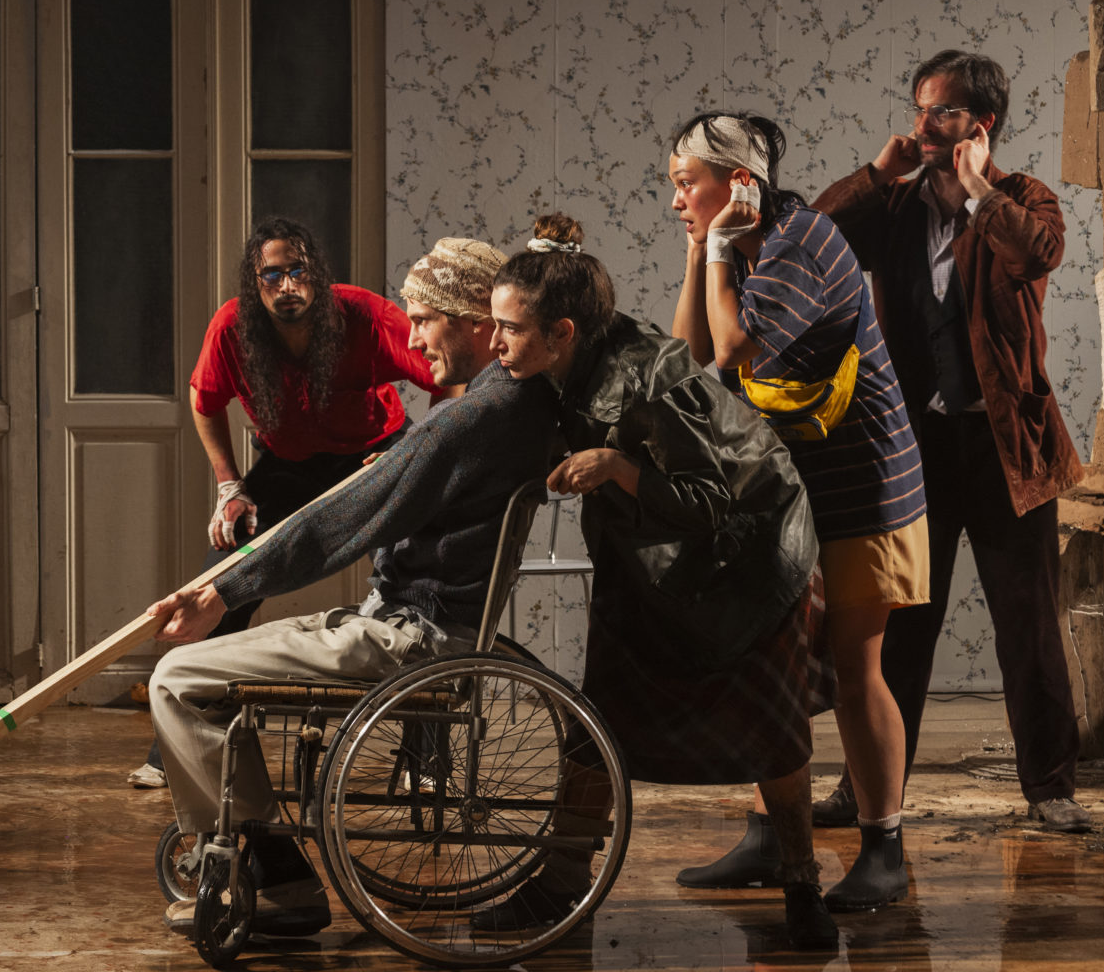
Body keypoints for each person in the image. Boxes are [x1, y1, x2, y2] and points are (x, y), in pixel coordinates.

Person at [146, 237, 560, 937]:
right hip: (409, 623)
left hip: (409, 639)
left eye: (426, 318)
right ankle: (266, 861)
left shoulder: (471, 417)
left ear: (477, 324)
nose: (414, 335)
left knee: (176, 678)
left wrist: (223, 592)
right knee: (194, 670)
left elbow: (344, 522)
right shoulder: (509, 401)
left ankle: (275, 878)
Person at [472, 214, 837, 950]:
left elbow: (713, 501)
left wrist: (616, 469)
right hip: (650, 565)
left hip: (747, 564)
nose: (495, 343)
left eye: (508, 329)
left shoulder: (647, 384)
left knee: (773, 733)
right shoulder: (562, 364)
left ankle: (802, 887)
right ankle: (560, 882)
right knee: (594, 726)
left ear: (563, 330)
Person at [812, 51, 1089, 833]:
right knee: (897, 626)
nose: (922, 125)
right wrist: (877, 171)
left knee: (1027, 625)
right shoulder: (894, 209)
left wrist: (975, 190)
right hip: (915, 447)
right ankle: (870, 788)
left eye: (940, 112)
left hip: (1007, 450)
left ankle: (1050, 788)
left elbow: (1036, 253)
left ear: (981, 123)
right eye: (918, 108)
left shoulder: (1021, 199)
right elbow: (818, 241)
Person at [667, 113, 930, 912]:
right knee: (772, 662)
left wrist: (714, 254)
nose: (676, 198)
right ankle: (769, 833)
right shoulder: (745, 245)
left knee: (855, 668)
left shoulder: (798, 245)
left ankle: (884, 847)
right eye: (672, 184)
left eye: (688, 184)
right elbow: (687, 361)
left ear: (739, 184)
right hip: (801, 491)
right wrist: (699, 250)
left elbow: (730, 355)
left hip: (865, 490)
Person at [126, 216, 440, 788]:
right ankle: (174, 752)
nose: (287, 285)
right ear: (255, 283)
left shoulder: (364, 315)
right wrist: (230, 485)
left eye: (298, 271)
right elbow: (205, 401)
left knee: (417, 583)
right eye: (271, 275)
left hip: (376, 455)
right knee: (223, 582)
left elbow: (446, 379)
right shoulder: (233, 327)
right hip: (288, 463)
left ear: (316, 275)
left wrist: (412, 456)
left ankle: (426, 764)